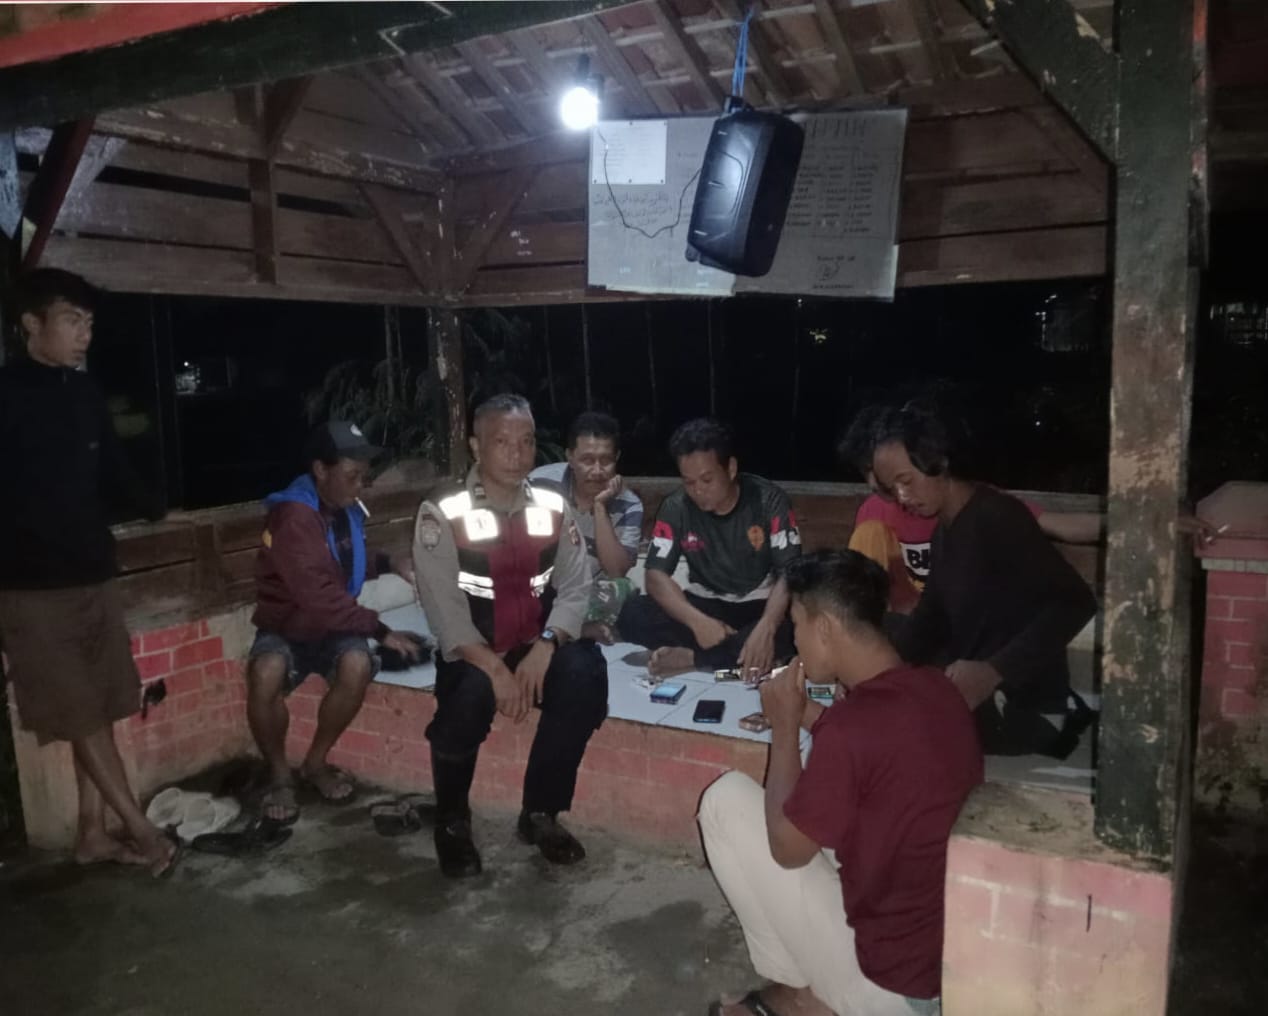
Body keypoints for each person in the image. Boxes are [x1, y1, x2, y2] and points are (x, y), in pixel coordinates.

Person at [698, 550, 982, 1016]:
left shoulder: (853, 728)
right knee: (838, 814)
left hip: (890, 989)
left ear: (825, 628)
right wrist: (801, 712)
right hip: (946, 964)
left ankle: (801, 996)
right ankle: (811, 988)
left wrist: (784, 729)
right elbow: (871, 740)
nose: (795, 639)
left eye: (796, 625)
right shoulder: (936, 688)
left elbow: (788, 850)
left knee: (724, 800)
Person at [0, 268, 179, 876]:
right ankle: (143, 833)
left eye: (90, 323)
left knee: (99, 708)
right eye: (72, 321)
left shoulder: (83, 393)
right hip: (30, 588)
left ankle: (92, 834)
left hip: (93, 574)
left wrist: (156, 507)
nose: (85, 334)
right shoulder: (4, 395)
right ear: (31, 324)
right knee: (79, 715)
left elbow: (115, 472)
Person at [412, 394, 608, 877]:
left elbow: (576, 584)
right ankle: (452, 821)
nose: (518, 454)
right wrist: (497, 671)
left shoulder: (552, 504)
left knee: (584, 674)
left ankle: (540, 813)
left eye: (526, 441)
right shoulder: (443, 511)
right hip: (473, 650)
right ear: (476, 446)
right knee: (468, 697)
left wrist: (548, 644)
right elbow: (445, 612)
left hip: (533, 641)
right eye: (502, 442)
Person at [870, 405, 1098, 757]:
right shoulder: (945, 530)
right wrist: (873, 675)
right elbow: (930, 620)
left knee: (893, 730)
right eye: (892, 488)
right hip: (975, 687)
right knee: (874, 630)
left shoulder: (996, 516)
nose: (901, 498)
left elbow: (1076, 603)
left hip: (1024, 707)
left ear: (937, 461)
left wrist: (993, 671)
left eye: (906, 481)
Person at [246, 421, 420, 824]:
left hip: (330, 627)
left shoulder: (340, 507)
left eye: (364, 476)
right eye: (352, 475)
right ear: (320, 470)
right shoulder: (294, 517)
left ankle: (315, 763)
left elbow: (344, 561)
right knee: (265, 671)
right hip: (286, 626)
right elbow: (321, 596)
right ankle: (279, 775)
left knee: (357, 665)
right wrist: (380, 630)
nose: (361, 486)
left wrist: (389, 562)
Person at [838, 406, 1103, 616]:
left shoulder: (969, 502)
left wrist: (1122, 526)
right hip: (912, 623)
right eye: (883, 483)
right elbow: (861, 590)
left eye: (903, 479)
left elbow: (1054, 525)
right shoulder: (874, 515)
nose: (898, 494)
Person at [617, 418, 799, 678]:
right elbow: (655, 576)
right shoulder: (676, 507)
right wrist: (698, 622)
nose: (698, 491)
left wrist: (767, 626)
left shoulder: (768, 500)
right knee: (633, 614)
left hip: (759, 605)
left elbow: (790, 572)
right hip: (705, 603)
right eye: (689, 482)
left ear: (731, 468)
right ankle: (730, 654)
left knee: (794, 628)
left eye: (706, 480)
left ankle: (695, 658)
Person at [530, 411, 644, 643]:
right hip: (541, 582)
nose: (597, 470)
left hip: (586, 590)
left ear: (617, 458)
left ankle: (564, 629)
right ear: (570, 458)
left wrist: (600, 507)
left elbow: (616, 571)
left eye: (606, 460)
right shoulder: (540, 484)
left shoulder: (629, 504)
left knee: (624, 592)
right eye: (587, 460)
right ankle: (577, 629)